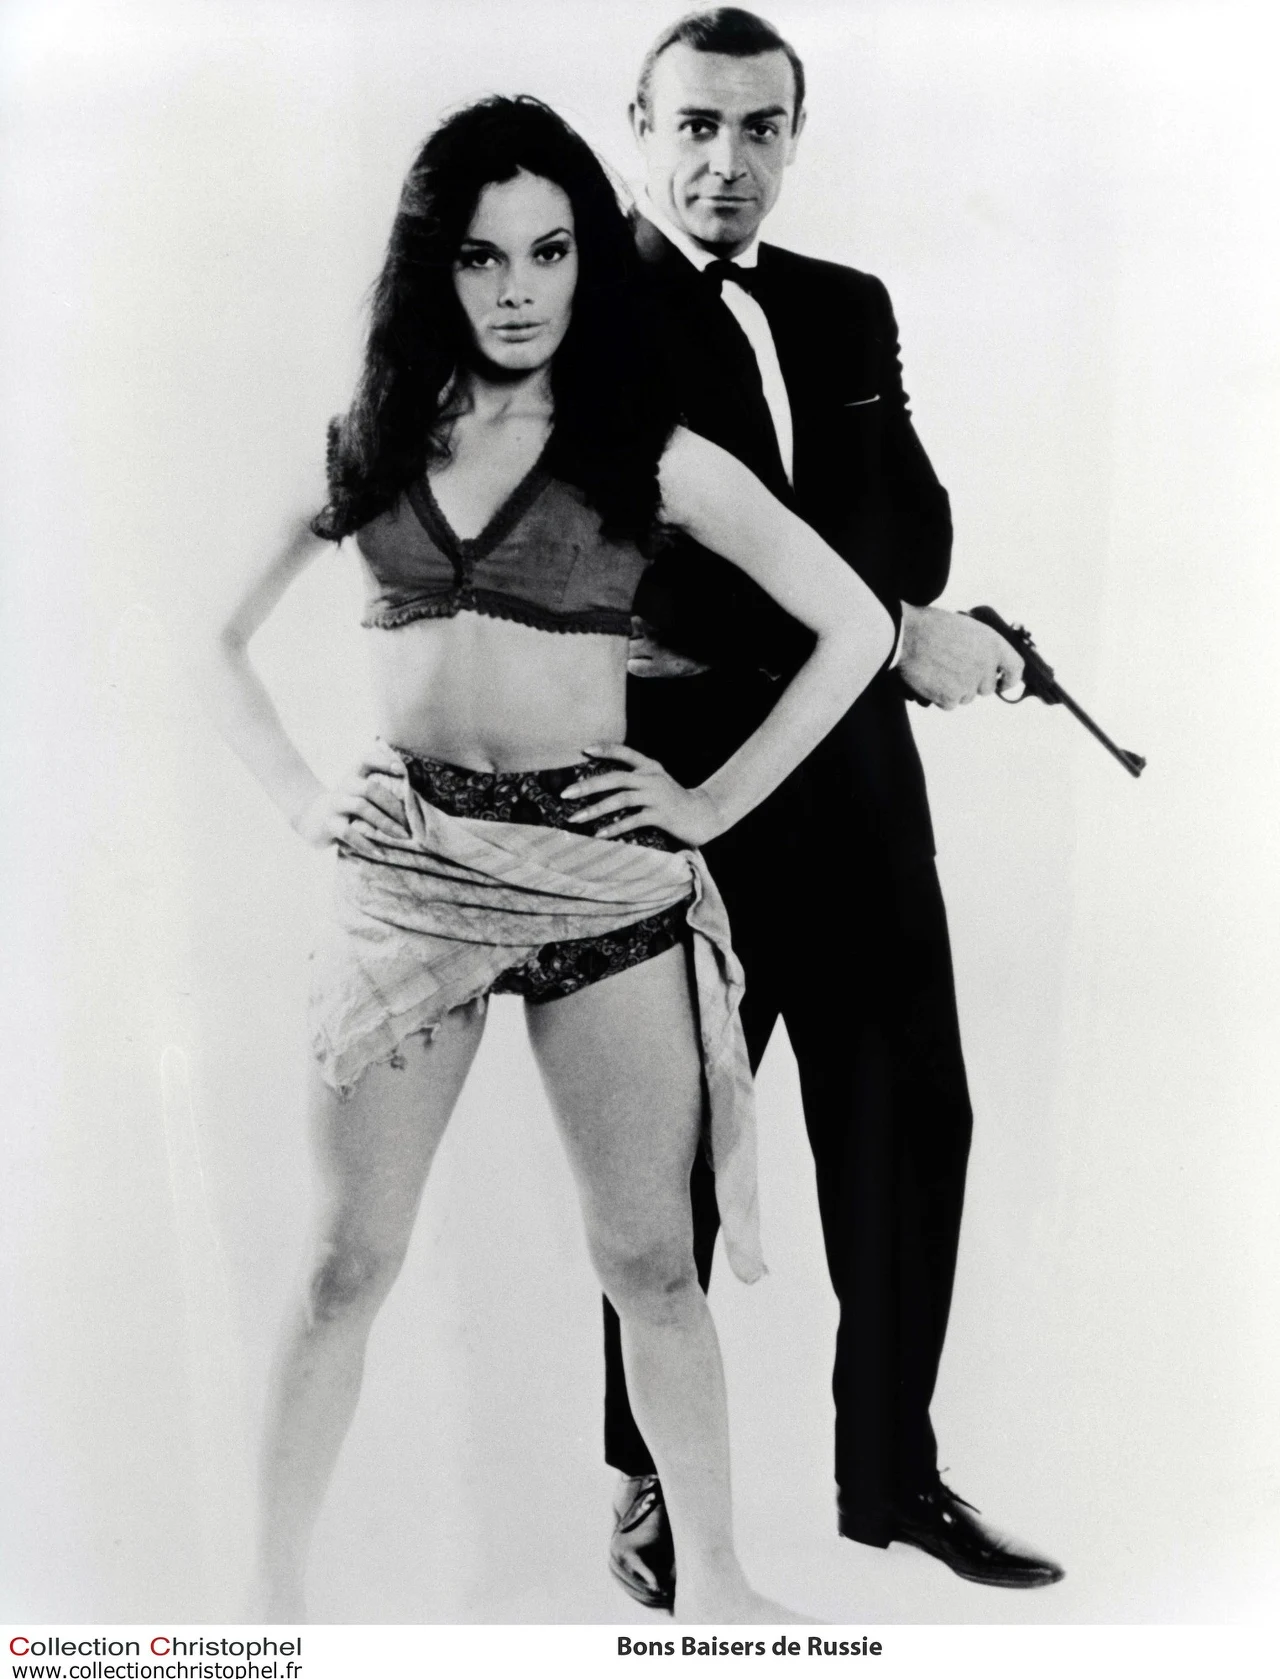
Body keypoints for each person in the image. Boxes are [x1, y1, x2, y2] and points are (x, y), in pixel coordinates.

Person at [199, 95, 894, 1622]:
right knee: (343, 1265)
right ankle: (264, 1602)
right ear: (429, 268)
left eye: (552, 250)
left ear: (589, 259)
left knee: (650, 1264)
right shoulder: (369, 444)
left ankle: (716, 1585)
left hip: (599, 881)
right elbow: (207, 641)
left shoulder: (646, 449)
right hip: (411, 880)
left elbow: (855, 626)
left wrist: (708, 802)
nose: (518, 289)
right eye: (481, 256)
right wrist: (304, 799)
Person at [602, 9, 1065, 1606]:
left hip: (860, 789)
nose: (727, 161)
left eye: (761, 128)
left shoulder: (846, 303)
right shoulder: (582, 313)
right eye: (697, 125)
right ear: (641, 128)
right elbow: (643, 573)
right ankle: (651, 1490)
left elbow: (913, 526)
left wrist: (889, 610)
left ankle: (893, 1475)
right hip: (684, 790)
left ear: (795, 137)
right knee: (663, 1160)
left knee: (912, 1123)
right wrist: (883, 624)